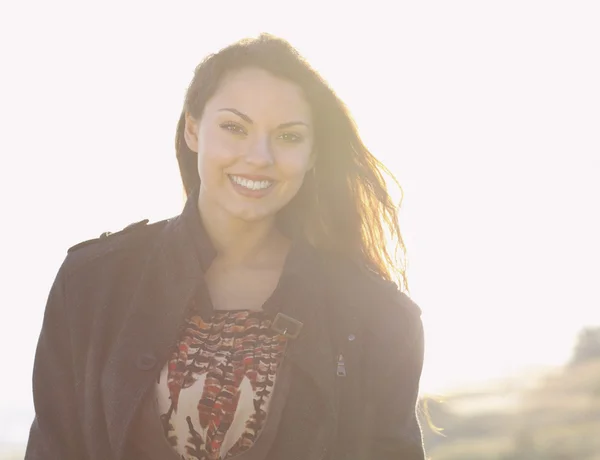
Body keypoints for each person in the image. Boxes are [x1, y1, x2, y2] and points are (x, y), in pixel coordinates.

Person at [25, 34, 426, 460]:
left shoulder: (375, 315)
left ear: (312, 155)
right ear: (193, 129)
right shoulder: (92, 283)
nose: (259, 157)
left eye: (288, 137)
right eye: (235, 127)